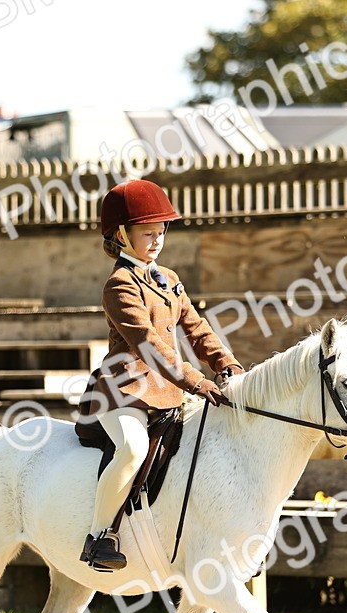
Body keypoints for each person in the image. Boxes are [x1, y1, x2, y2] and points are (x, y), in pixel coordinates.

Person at [78, 178, 243, 571]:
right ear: (121, 235)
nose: (157, 241)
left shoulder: (167, 278)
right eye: (147, 233)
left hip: (169, 392)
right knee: (133, 449)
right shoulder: (119, 285)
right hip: (124, 392)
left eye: (161, 232)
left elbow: (196, 328)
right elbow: (149, 345)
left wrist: (226, 364)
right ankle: (99, 537)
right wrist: (197, 381)